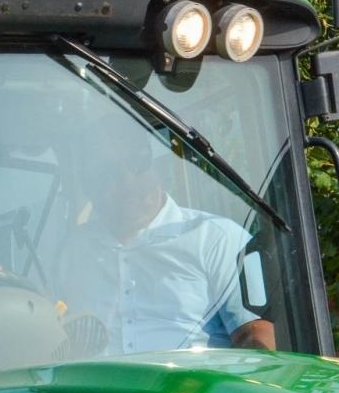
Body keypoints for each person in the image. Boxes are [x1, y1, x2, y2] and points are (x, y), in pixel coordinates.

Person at [55, 140, 275, 353]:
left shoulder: (218, 238)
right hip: (90, 389)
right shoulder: (72, 250)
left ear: (157, 169)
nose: (127, 182)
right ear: (91, 186)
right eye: (109, 172)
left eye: (137, 163)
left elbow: (258, 340)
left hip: (190, 388)